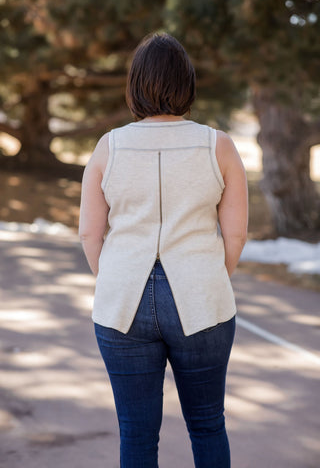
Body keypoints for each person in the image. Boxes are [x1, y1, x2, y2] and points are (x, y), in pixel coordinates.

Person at [79, 32, 248, 468]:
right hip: (202, 296)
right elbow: (236, 236)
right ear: (187, 84)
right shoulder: (219, 146)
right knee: (208, 424)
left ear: (135, 85)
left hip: (122, 303)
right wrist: (211, 278)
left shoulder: (108, 146)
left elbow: (88, 235)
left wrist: (115, 278)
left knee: (136, 435)